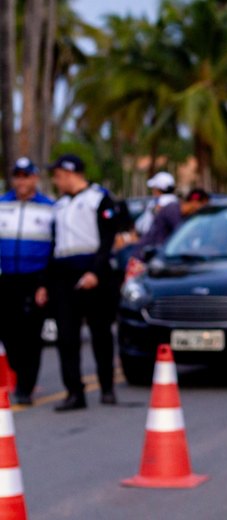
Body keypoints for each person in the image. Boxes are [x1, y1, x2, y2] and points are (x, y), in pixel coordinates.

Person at [48, 154, 119, 411]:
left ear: (69, 174)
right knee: (66, 337)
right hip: (64, 273)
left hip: (92, 270)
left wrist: (95, 272)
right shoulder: (59, 206)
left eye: (57, 176)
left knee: (100, 333)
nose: (56, 181)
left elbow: (108, 239)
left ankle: (107, 387)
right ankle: (74, 392)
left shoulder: (98, 198)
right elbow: (53, 243)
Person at [0, 158, 53, 405]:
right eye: (17, 176)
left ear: (35, 178)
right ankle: (20, 372)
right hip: (7, 278)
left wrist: (45, 282)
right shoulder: (2, 204)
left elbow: (55, 248)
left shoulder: (49, 208)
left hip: (35, 279)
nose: (21, 181)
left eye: (26, 176)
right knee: (9, 332)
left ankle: (26, 386)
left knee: (31, 334)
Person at [132, 188, 209, 255]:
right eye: (204, 206)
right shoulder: (173, 211)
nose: (204, 210)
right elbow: (182, 238)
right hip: (143, 259)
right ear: (195, 202)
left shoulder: (183, 215)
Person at [135, 171, 178, 236]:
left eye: (154, 188)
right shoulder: (176, 202)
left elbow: (145, 227)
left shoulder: (158, 204)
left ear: (158, 189)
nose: (153, 190)